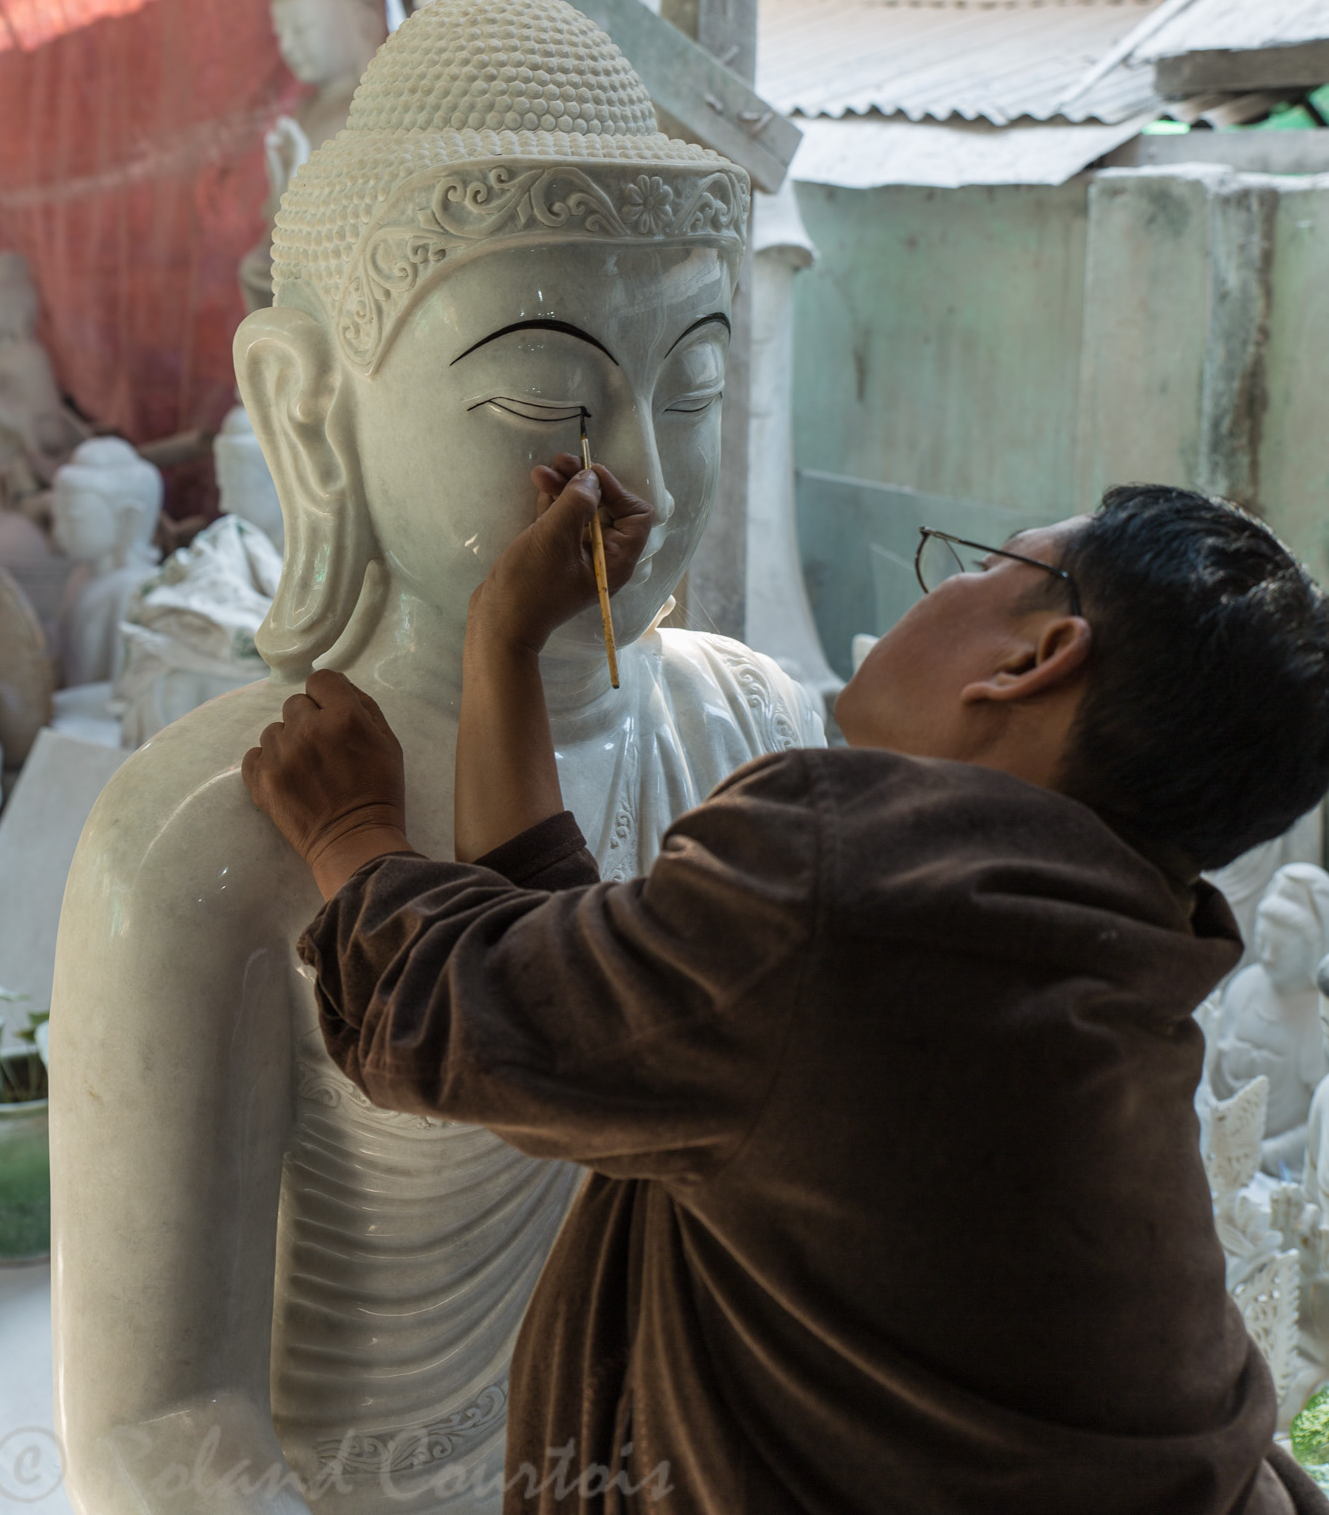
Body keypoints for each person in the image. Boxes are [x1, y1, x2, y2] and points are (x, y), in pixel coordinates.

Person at [244, 469, 1329, 1515]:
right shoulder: (1094, 952)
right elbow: (598, 1005)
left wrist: (353, 839)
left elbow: (467, 1010)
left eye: (974, 567)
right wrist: (508, 638)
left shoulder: (846, 880)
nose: (937, 586)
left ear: (1033, 657)